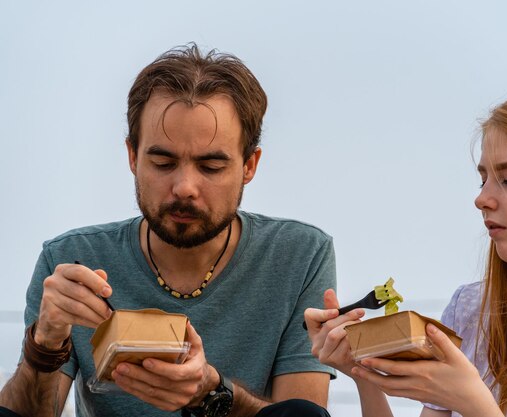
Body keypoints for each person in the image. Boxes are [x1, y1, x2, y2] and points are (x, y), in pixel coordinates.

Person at [0, 43, 336, 417]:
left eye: (210, 167)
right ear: (132, 156)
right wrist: (45, 343)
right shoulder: (69, 260)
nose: (184, 187)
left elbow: (302, 414)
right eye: (163, 162)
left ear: (249, 165)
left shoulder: (299, 255)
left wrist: (212, 393)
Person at [305, 95, 507, 417]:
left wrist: (474, 404)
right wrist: (364, 373)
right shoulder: (472, 311)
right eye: (483, 179)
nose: (482, 199)